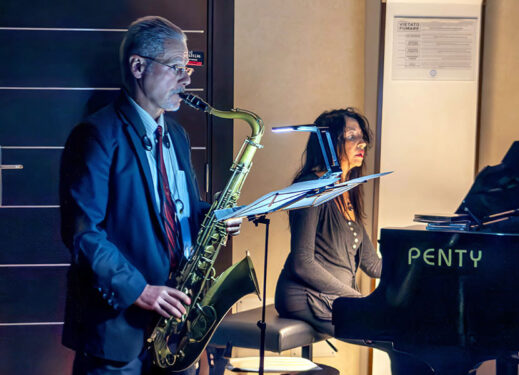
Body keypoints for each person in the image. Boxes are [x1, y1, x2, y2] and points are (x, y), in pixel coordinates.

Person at [59, 16, 239, 375]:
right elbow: (83, 234)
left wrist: (211, 218)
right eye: (176, 67)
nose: (188, 79)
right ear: (138, 66)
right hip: (118, 331)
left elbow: (168, 209)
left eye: (188, 68)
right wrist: (141, 290)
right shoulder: (95, 134)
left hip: (176, 326)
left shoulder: (176, 135)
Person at [274, 108, 434, 374]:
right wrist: (357, 299)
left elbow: (371, 264)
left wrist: (419, 272)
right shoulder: (310, 186)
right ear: (329, 141)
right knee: (398, 337)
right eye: (351, 136)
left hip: (340, 297)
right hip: (307, 297)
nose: (362, 143)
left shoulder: (348, 189)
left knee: (410, 331)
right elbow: (302, 263)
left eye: (362, 136)